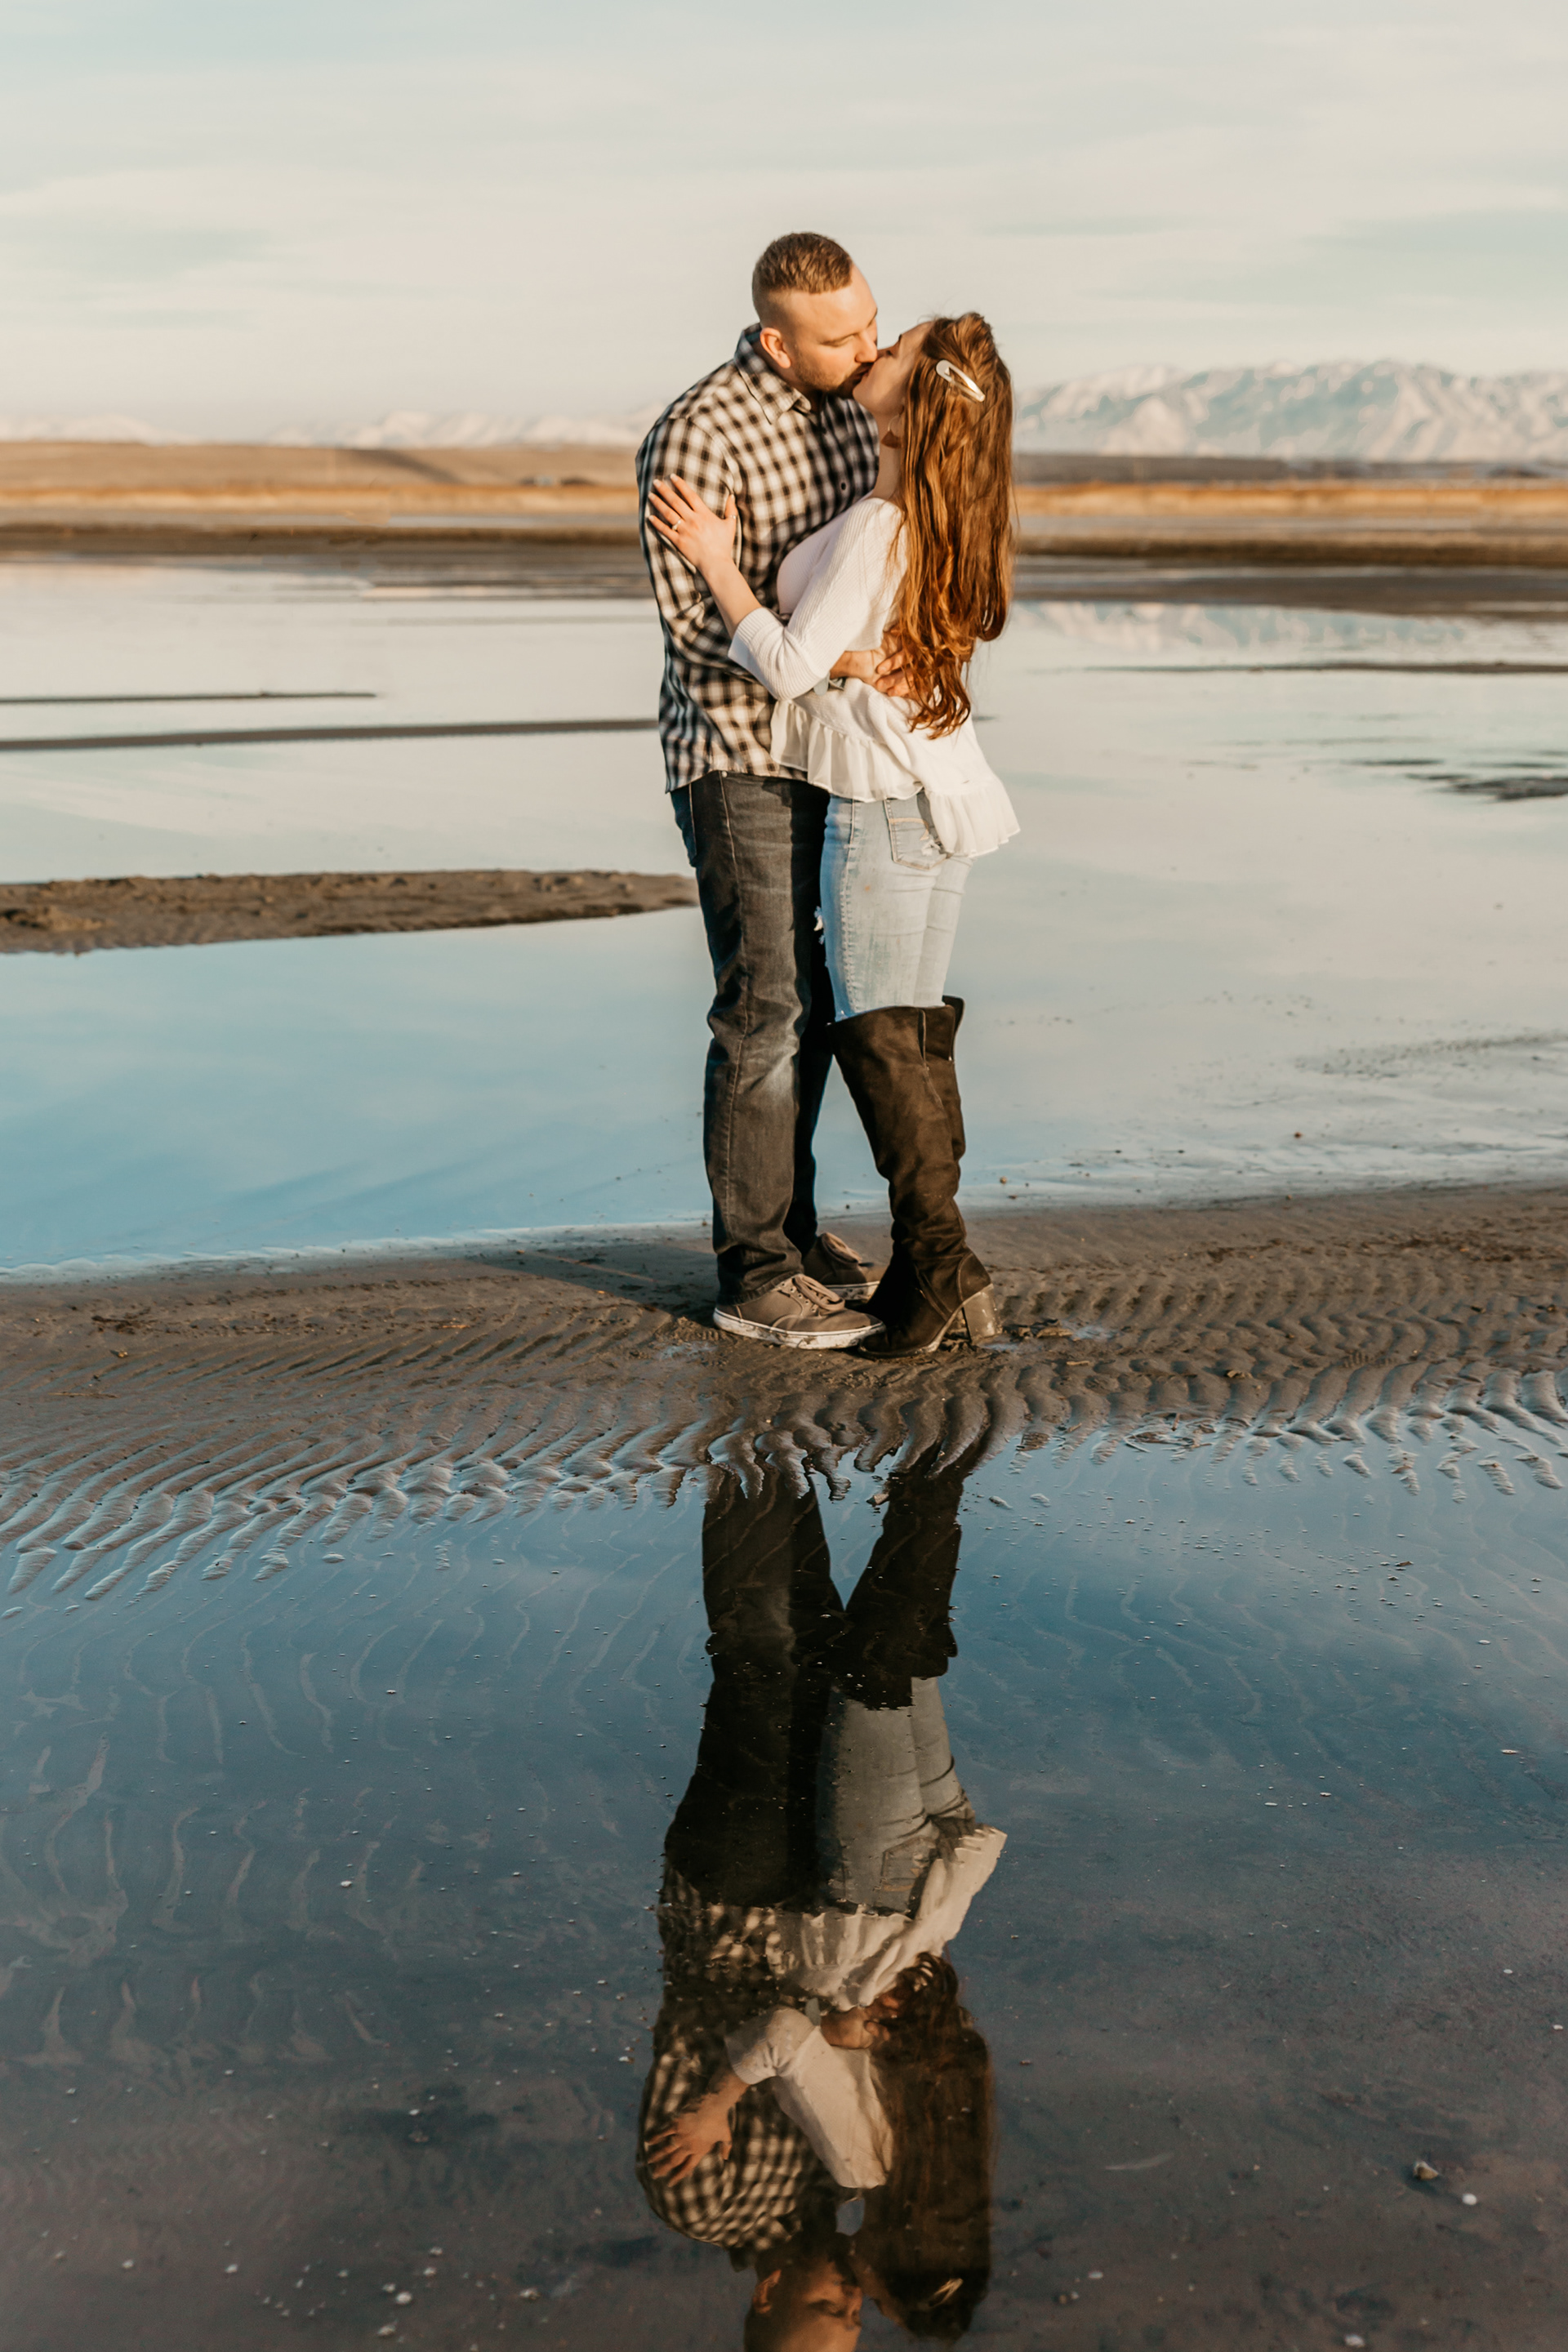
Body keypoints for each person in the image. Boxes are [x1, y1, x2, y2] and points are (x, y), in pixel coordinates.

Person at [648, 313, 1018, 1359]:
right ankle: (941, 1271)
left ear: (916, 400)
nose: (874, 351)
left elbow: (787, 667)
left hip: (883, 806)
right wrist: (852, 661)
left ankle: (941, 1268)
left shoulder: (878, 526)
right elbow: (854, 651)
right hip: (938, 798)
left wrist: (717, 561)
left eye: (892, 347)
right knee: (913, 1037)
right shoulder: (937, 517)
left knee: (884, 1040)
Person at [638, 1448, 1001, 2344]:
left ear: (768, 2298)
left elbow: (701, 2026)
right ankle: (784, 1449)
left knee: (762, 1666)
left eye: (828, 2312)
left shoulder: (703, 2202)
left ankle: (749, 1447)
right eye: (857, 2316)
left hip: (730, 1906)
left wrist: (802, 2035)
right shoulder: (841, 2189)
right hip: (812, 1898)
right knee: (817, 1656)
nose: (850, 2297)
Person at [637, 232, 889, 1352]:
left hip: (835, 754)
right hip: (737, 752)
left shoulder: (856, 411)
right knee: (765, 1008)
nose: (867, 349)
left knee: (820, 1007)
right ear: (777, 342)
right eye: (842, 338)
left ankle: (792, 1231)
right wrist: (840, 658)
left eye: (871, 323)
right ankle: (752, 1277)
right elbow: (699, 627)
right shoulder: (699, 432)